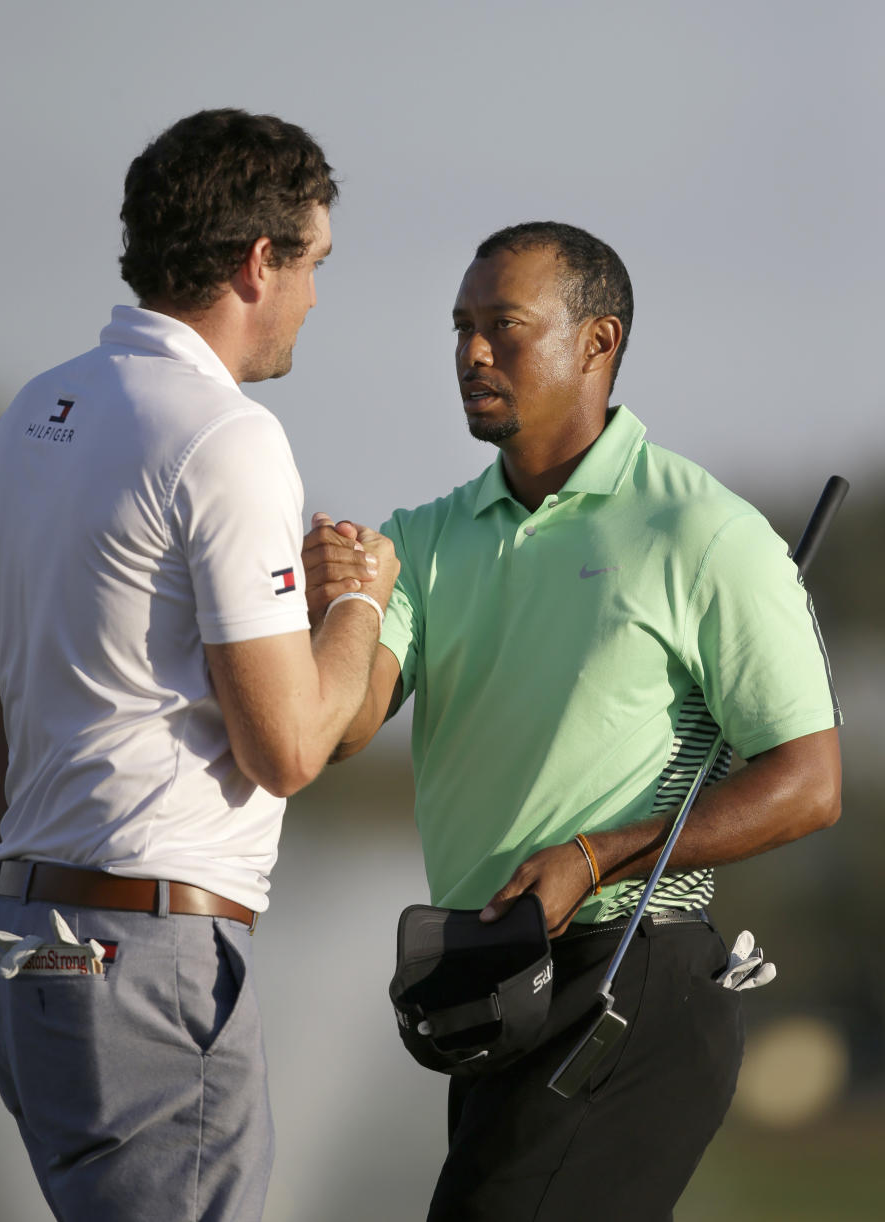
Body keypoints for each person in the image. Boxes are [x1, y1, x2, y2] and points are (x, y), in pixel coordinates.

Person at [304, 221, 843, 1221]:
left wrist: (599, 854)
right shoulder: (421, 539)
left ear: (600, 341)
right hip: (488, 984)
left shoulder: (703, 529)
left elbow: (810, 782)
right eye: (461, 328)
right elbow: (340, 729)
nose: (471, 353)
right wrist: (341, 607)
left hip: (633, 968)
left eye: (503, 327)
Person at [0, 108, 398, 1222]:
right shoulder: (226, 435)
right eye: (314, 263)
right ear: (258, 262)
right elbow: (288, 745)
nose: (317, 297)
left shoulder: (30, 417)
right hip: (148, 958)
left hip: (24, 944)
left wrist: (22, 919)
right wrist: (356, 602)